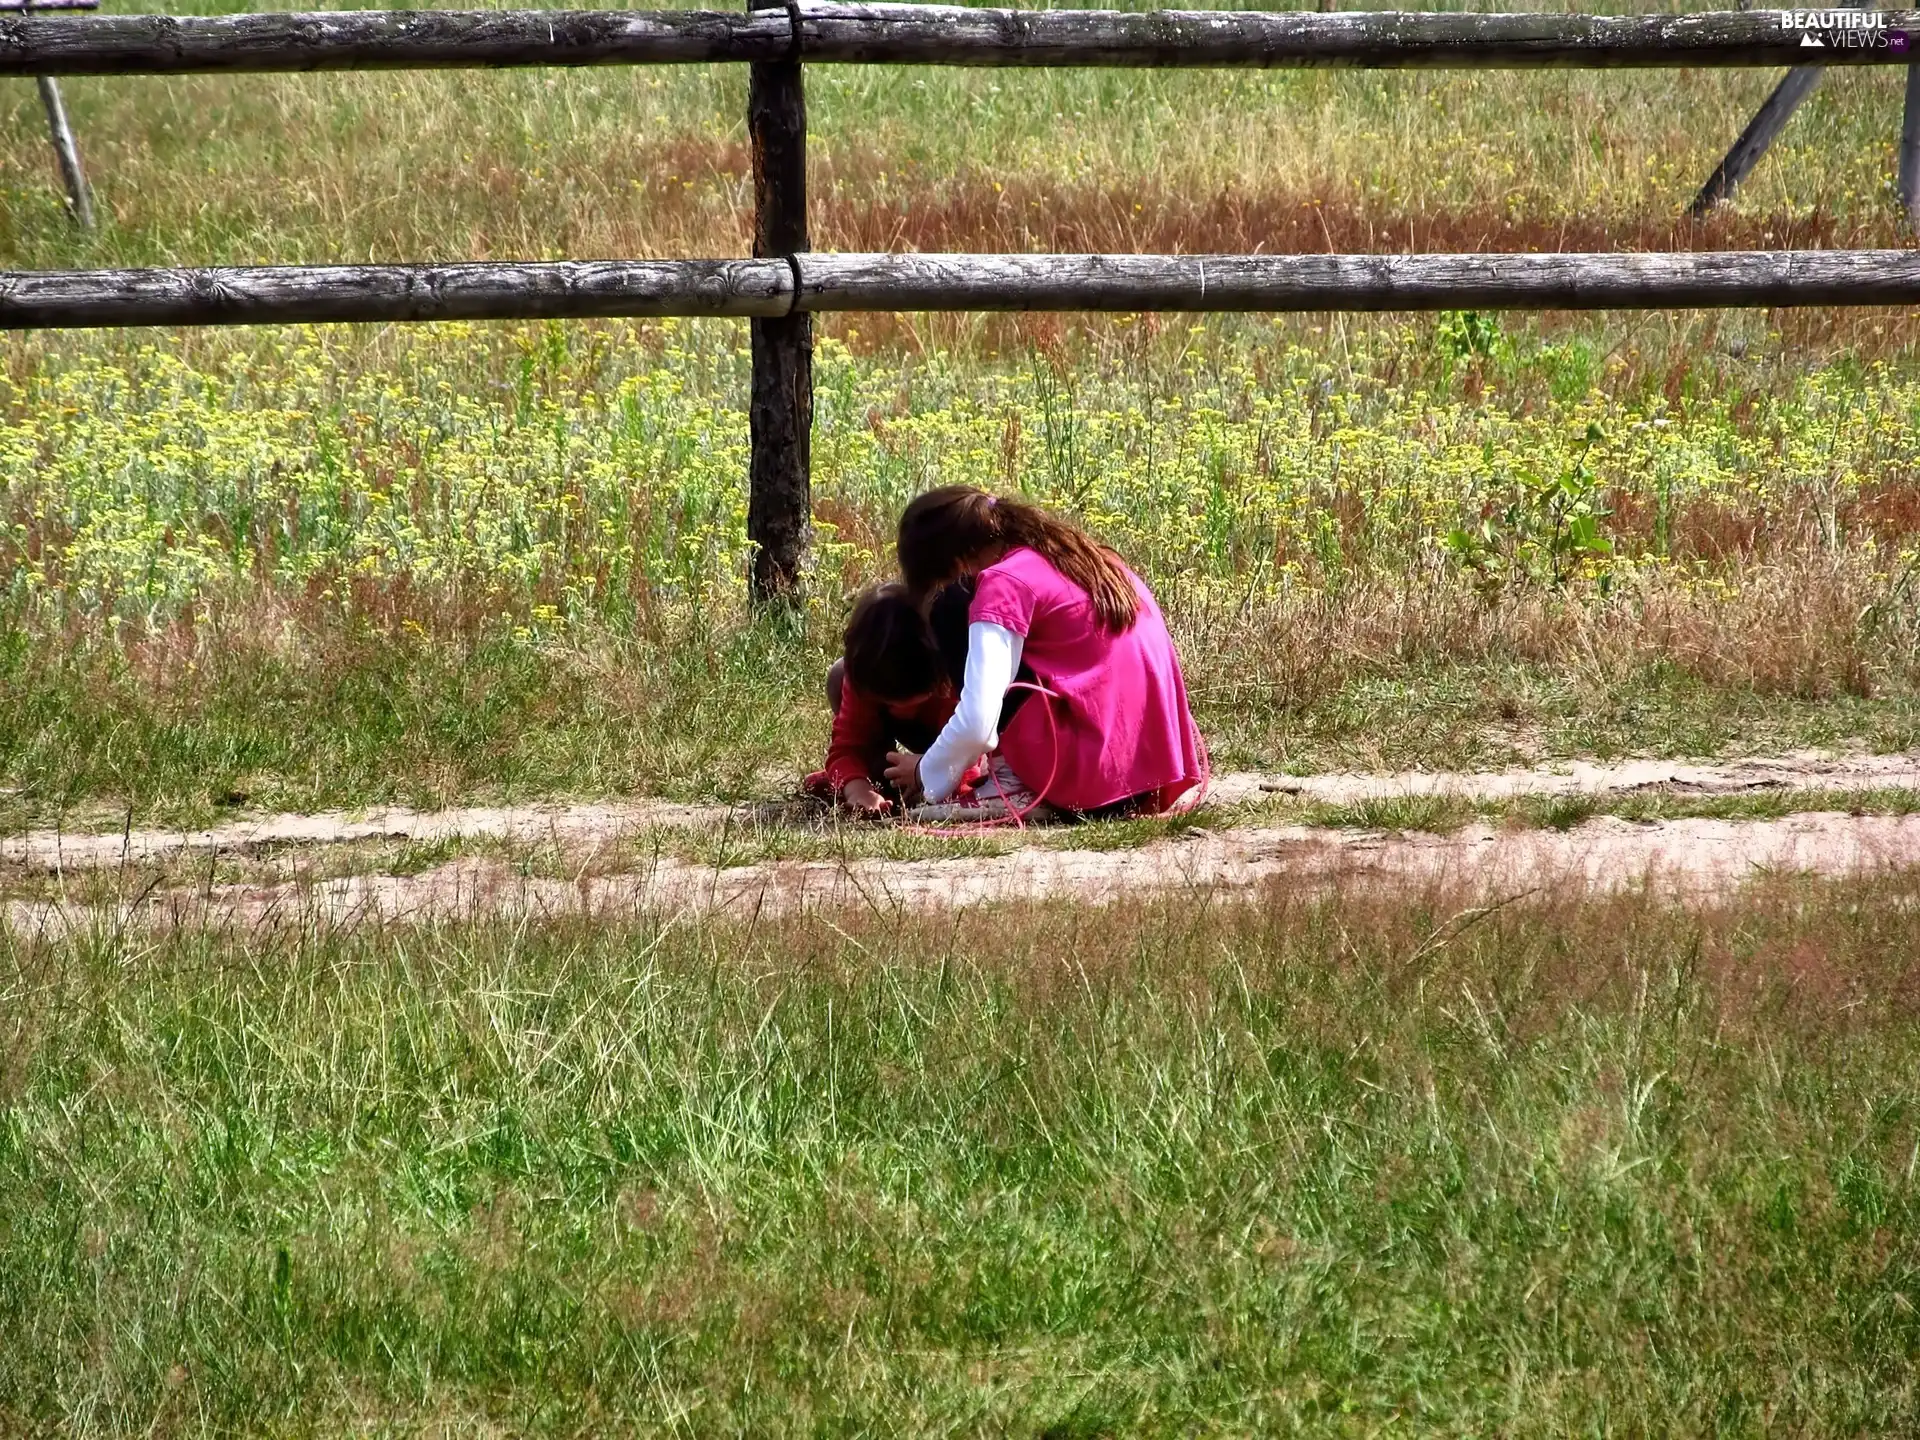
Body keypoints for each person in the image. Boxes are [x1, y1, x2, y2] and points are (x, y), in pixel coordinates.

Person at [882, 485, 1205, 820]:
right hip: (1149, 776)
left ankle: (1011, 785)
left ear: (957, 561)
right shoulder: (1084, 557)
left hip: (1087, 780)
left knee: (948, 606)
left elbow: (978, 722)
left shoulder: (1003, 582)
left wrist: (925, 774)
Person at [808, 580, 1013, 814]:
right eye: (888, 704)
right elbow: (846, 748)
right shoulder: (867, 677)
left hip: (958, 744)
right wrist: (857, 789)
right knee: (838, 673)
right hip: (907, 749)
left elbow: (971, 759)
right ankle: (879, 779)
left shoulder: (955, 682)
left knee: (978, 773)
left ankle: (902, 779)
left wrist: (926, 770)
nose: (900, 712)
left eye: (914, 702)